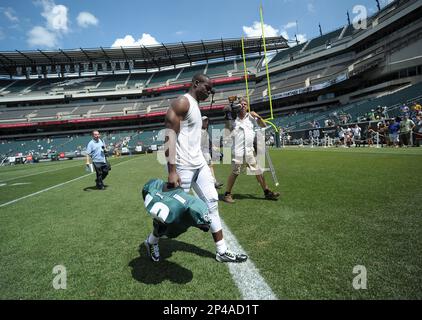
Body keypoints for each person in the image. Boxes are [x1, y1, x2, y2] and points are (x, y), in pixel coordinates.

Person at [144, 74, 247, 263]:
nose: (209, 92)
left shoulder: (196, 105)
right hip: (182, 167)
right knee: (171, 213)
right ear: (196, 83)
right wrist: (172, 170)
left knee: (212, 203)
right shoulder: (183, 102)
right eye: (207, 88)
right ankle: (152, 241)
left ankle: (222, 250)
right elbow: (169, 135)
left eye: (211, 90)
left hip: (199, 164)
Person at [223, 97, 280, 204]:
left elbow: (264, 125)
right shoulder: (234, 119)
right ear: (238, 106)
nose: (243, 106)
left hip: (249, 151)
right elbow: (227, 130)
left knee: (258, 171)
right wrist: (228, 114)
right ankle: (227, 194)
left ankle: (267, 191)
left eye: (245, 104)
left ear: (248, 107)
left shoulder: (251, 117)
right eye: (241, 104)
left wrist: (258, 117)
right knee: (235, 173)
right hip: (238, 151)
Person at [201, 116, 224, 189]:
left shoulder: (204, 130)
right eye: (204, 121)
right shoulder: (200, 130)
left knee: (210, 166)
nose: (206, 122)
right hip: (202, 152)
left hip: (206, 152)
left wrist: (213, 147)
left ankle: (213, 182)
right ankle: (212, 182)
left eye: (207, 121)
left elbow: (208, 142)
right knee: (208, 166)